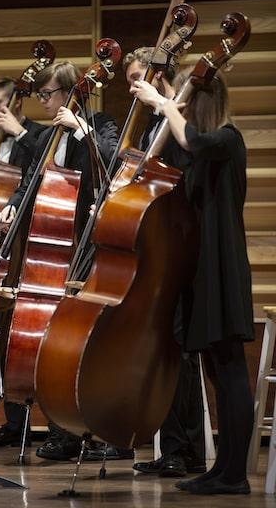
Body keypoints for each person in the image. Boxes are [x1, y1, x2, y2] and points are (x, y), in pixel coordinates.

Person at [0, 61, 131, 461]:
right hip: (53, 254)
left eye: (48, 94)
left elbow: (112, 164)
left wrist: (81, 128)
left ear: (73, 91)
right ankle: (64, 431)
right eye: (39, 95)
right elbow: (29, 183)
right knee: (54, 344)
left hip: (90, 249)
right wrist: (12, 207)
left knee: (92, 344)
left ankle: (107, 431)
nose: (42, 102)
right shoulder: (45, 138)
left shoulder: (101, 124)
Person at [131, 69, 254, 495]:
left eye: (188, 98)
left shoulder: (226, 139)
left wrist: (165, 104)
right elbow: (162, 162)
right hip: (202, 269)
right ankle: (222, 468)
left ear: (202, 100)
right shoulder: (202, 151)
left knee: (232, 370)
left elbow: (193, 140)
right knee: (218, 373)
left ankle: (235, 475)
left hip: (223, 268)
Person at [118, 47, 206, 477]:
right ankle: (175, 446)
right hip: (158, 249)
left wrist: (165, 108)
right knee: (167, 351)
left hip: (184, 248)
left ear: (161, 76)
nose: (135, 88)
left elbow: (190, 172)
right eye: (131, 81)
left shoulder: (182, 117)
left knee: (181, 351)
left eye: (139, 78)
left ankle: (186, 450)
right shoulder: (154, 124)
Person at [0, 75, 47, 449]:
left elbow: (44, 178)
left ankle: (44, 421)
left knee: (24, 336)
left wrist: (20, 133)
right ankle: (14, 422)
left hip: (28, 249)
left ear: (18, 100)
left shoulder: (39, 136)